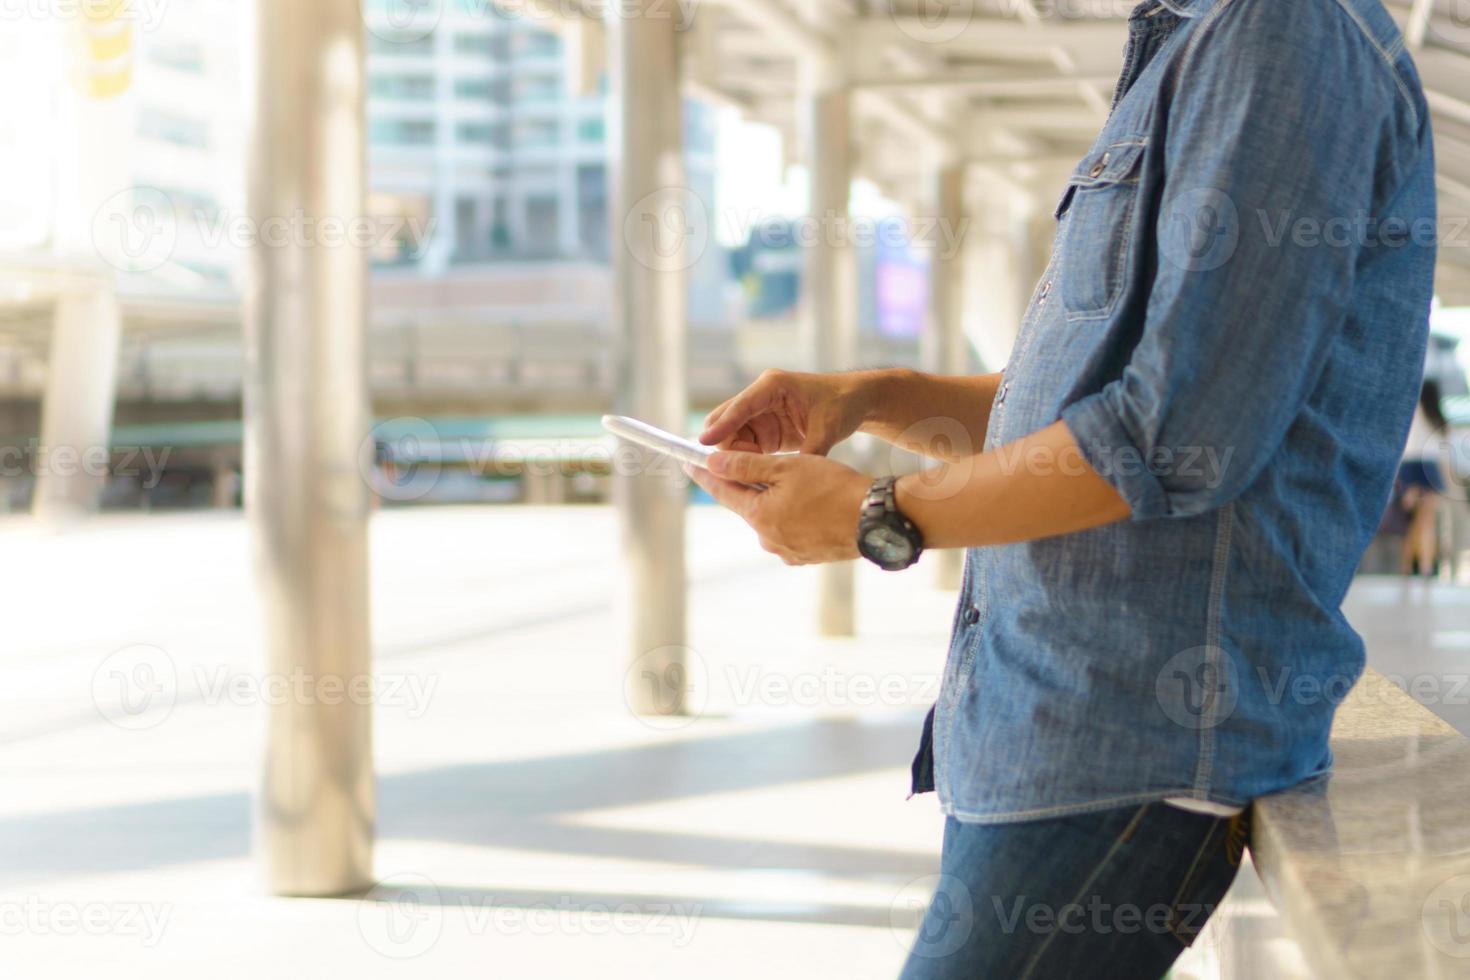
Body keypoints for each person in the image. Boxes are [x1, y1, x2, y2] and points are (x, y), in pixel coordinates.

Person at [687, 0, 1437, 976]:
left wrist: (879, 514)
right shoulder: (1203, 38)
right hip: (1046, 724)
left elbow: (1175, 436)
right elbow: (1092, 402)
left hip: (1130, 731)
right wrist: (871, 395)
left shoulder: (1280, 34)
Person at [1398, 379, 1450, 575]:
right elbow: (1442, 447)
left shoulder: (1411, 409)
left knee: (1410, 523)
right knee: (1427, 521)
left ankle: (1407, 567)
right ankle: (1426, 567)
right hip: (1429, 467)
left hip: (1409, 466)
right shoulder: (1435, 415)